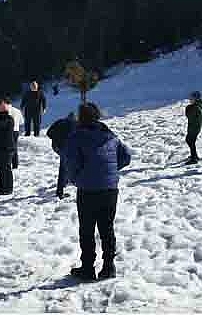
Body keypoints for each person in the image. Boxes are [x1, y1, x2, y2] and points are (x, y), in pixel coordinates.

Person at [61, 103, 131, 281]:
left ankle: (87, 268)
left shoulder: (76, 137)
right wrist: (110, 171)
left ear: (80, 117)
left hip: (88, 190)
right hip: (110, 189)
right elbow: (126, 157)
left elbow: (70, 162)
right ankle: (109, 267)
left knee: (87, 229)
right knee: (107, 228)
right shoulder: (109, 135)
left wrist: (77, 178)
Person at [47, 112, 77, 199]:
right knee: (64, 167)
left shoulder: (59, 121)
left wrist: (55, 138)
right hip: (67, 147)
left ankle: (65, 182)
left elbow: (48, 133)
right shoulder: (76, 124)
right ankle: (60, 192)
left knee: (65, 163)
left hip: (56, 146)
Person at [0, 99, 16, 195]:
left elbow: (0, 125)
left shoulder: (9, 119)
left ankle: (8, 189)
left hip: (7, 148)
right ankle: (2, 187)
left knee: (6, 169)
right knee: (0, 168)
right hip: (0, 147)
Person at [5, 98, 25, 170]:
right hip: (16, 131)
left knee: (7, 148)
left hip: (8, 131)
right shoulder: (17, 110)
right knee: (14, 148)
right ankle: (15, 165)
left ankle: (8, 164)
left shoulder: (6, 110)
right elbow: (21, 122)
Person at [185, 92, 202, 165]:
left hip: (194, 128)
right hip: (194, 127)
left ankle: (194, 158)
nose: (190, 100)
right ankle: (194, 156)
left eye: (191, 98)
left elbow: (189, 115)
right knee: (190, 141)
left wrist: (188, 108)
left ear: (196, 99)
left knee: (190, 141)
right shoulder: (196, 106)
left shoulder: (195, 107)